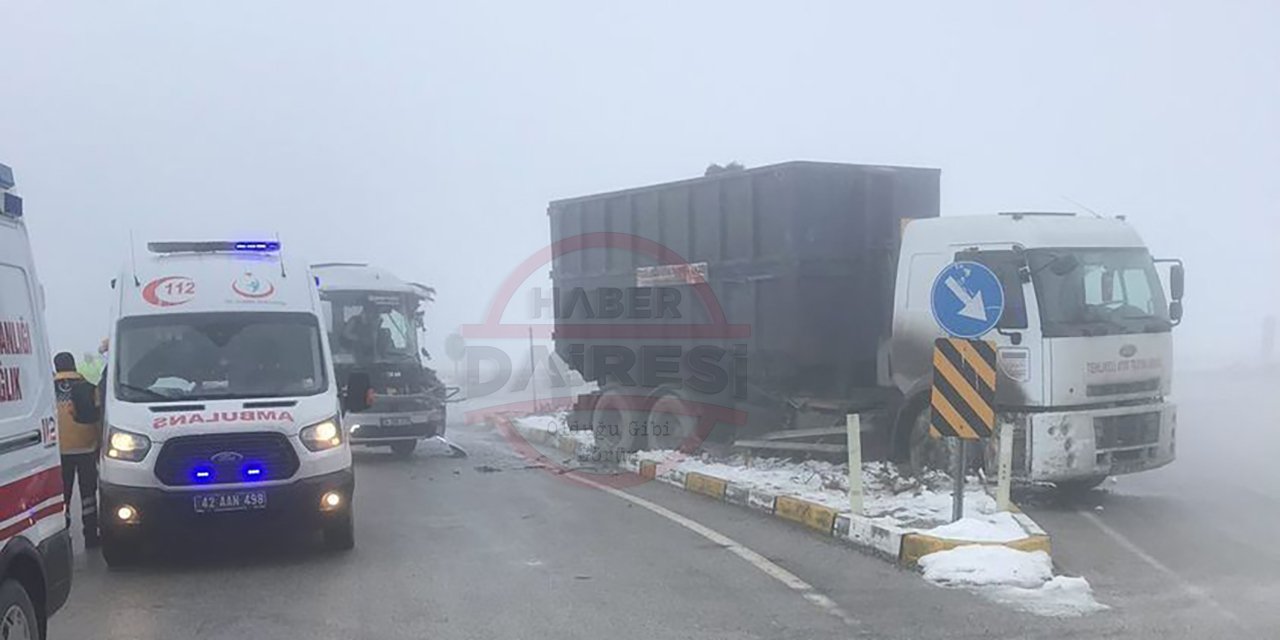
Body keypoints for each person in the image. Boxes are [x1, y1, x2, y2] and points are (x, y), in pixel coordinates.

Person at [53, 352, 102, 548]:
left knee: (63, 494)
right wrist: (100, 444)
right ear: (74, 366)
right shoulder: (89, 388)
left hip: (59, 452)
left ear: (56, 367)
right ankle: (90, 534)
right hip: (86, 447)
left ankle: (64, 535)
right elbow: (98, 418)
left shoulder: (48, 388)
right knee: (88, 493)